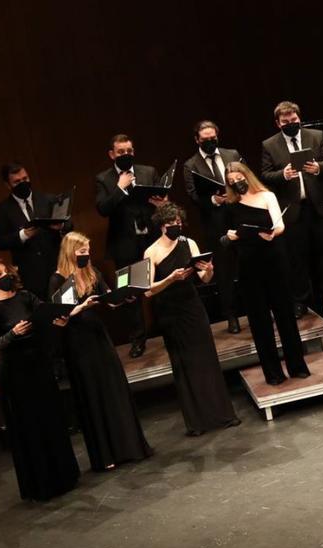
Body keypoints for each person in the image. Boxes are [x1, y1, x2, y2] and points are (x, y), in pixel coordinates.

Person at [50, 232, 153, 471]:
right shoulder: (57, 279)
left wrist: (125, 296)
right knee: (93, 393)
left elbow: (110, 299)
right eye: (82, 251)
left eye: (88, 250)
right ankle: (106, 454)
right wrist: (80, 307)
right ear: (70, 251)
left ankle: (129, 446)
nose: (86, 254)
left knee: (113, 388)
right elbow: (58, 315)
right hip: (77, 342)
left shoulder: (92, 272)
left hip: (98, 336)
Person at [143, 203, 239, 436]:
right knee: (185, 363)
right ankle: (198, 421)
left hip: (192, 306)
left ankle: (220, 414)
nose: (176, 227)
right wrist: (171, 279)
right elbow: (147, 291)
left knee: (205, 358)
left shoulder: (189, 243)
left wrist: (209, 270)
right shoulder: (151, 252)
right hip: (170, 311)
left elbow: (205, 278)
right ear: (161, 226)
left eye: (179, 222)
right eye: (171, 224)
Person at [0, 258, 80, 501]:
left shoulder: (26, 296)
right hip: (15, 371)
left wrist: (58, 321)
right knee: (29, 423)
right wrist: (12, 333)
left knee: (50, 416)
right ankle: (41, 483)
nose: (2, 277)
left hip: (38, 365)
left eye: (3, 272)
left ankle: (64, 475)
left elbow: (46, 314)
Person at [220, 162, 310, 386]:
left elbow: (279, 225)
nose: (236, 183)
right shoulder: (230, 205)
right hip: (249, 263)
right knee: (259, 321)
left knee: (285, 314)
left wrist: (271, 234)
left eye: (239, 179)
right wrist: (231, 236)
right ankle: (273, 373)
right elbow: (228, 235)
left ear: (247, 176)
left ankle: (297, 365)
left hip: (273, 258)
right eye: (231, 182)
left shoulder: (266, 196)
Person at [259, 100, 323, 318]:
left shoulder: (316, 136)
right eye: (286, 122)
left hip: (319, 205)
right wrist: (282, 175)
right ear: (278, 123)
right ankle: (301, 301)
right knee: (297, 258)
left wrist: (318, 168)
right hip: (293, 209)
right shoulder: (269, 145)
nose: (291, 124)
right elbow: (265, 175)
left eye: (294, 120)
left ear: (299, 118)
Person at [94, 133, 166, 358]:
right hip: (124, 244)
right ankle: (138, 340)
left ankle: (167, 329)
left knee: (160, 284)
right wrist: (121, 188)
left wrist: (161, 202)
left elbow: (160, 200)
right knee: (130, 294)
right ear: (111, 154)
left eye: (129, 151)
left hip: (152, 239)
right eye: (120, 152)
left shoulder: (148, 171)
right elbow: (102, 209)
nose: (126, 155)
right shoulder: (103, 179)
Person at [182, 120, 244, 333]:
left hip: (238, 217)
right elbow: (192, 195)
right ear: (197, 140)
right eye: (205, 139)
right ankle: (231, 316)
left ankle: (256, 309)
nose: (210, 142)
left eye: (213, 138)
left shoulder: (232, 154)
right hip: (215, 223)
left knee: (247, 266)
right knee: (224, 272)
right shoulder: (191, 165)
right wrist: (214, 200)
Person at [0, 163, 69, 298]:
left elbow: (69, 224)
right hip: (31, 275)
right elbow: (0, 242)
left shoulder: (48, 199)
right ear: (7, 185)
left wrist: (61, 226)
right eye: (17, 182)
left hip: (58, 267)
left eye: (25, 179)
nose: (23, 183)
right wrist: (23, 235)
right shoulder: (1, 211)